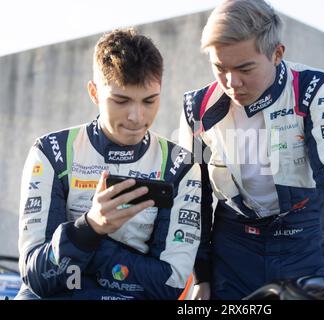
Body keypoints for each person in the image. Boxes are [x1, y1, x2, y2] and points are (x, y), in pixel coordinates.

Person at [179, 0, 324, 300]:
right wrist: (202, 275)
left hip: (302, 238)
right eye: (219, 68)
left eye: (244, 68)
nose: (231, 82)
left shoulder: (314, 88)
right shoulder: (195, 108)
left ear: (277, 54)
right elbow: (194, 195)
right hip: (234, 242)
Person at [17, 29, 203, 300]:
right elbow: (37, 278)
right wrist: (90, 226)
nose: (137, 117)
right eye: (121, 100)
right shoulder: (52, 152)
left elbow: (170, 286)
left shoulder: (180, 166)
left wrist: (89, 245)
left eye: (150, 101)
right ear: (94, 92)